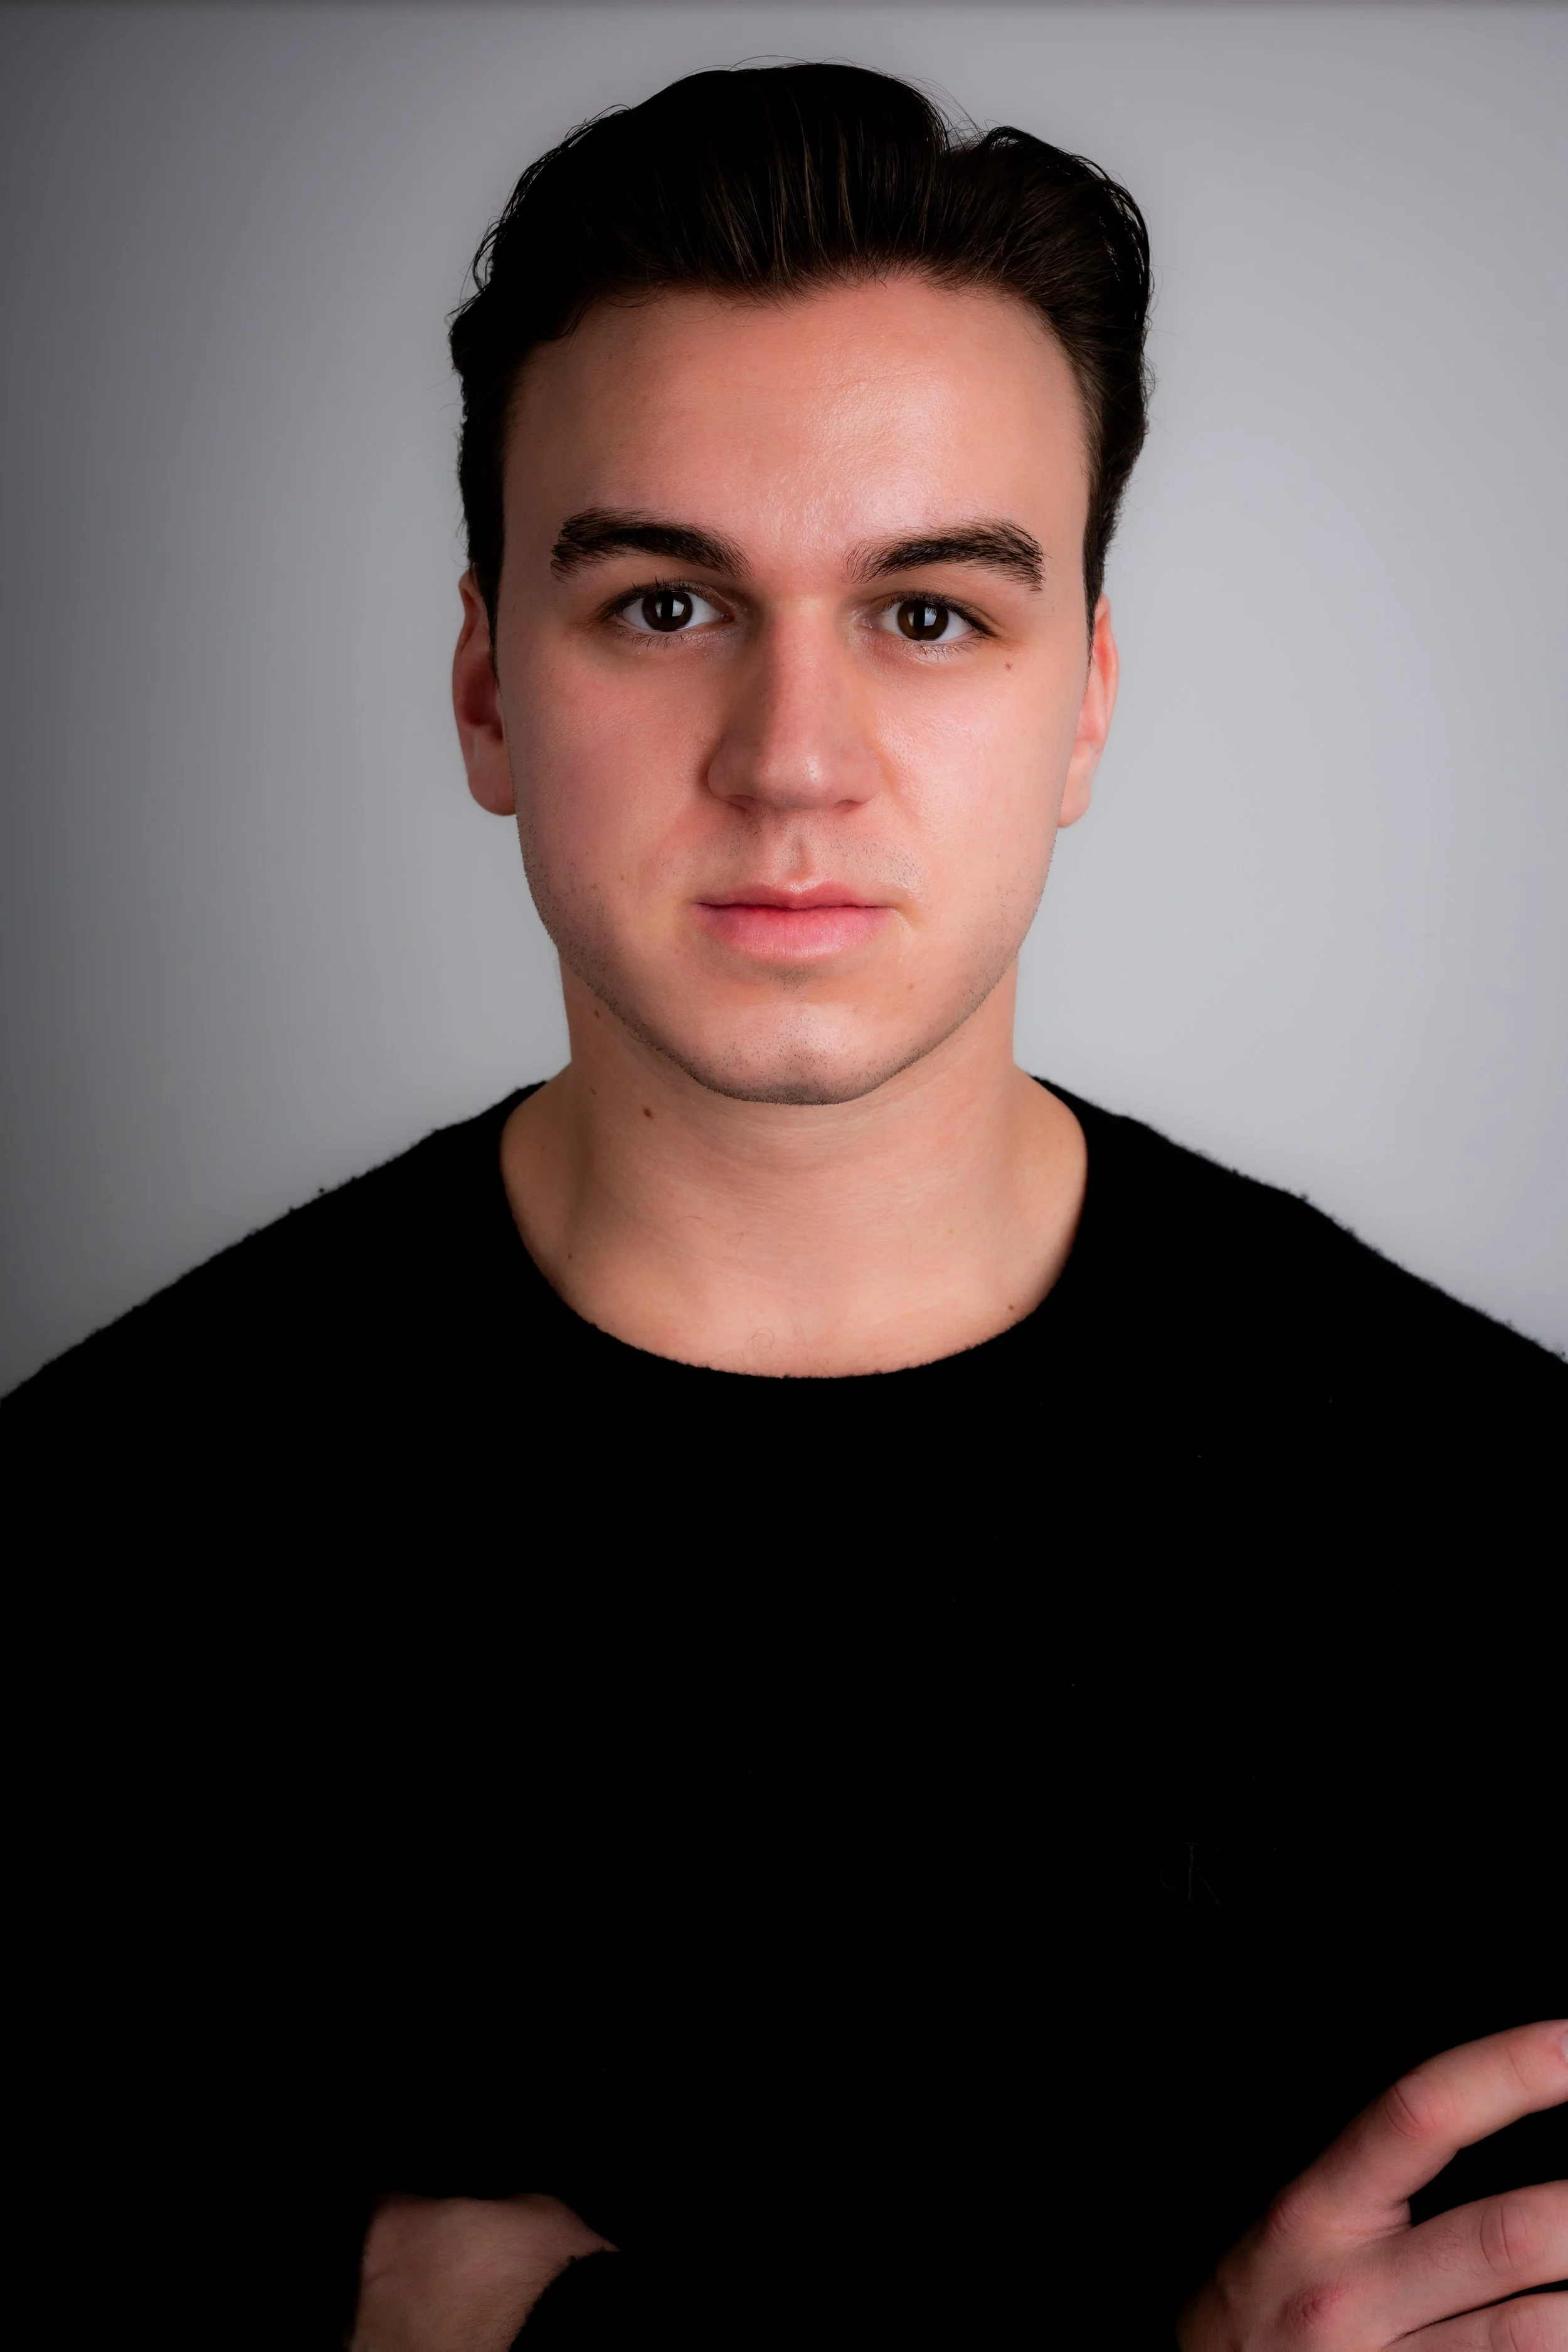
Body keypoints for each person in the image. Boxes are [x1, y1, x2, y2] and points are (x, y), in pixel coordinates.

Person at [4, 62, 1562, 2352]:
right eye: (661, 605)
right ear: (486, 693)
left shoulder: (1509, 1543)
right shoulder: (93, 1554)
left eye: (930, 614)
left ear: (1087, 710)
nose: (792, 754)